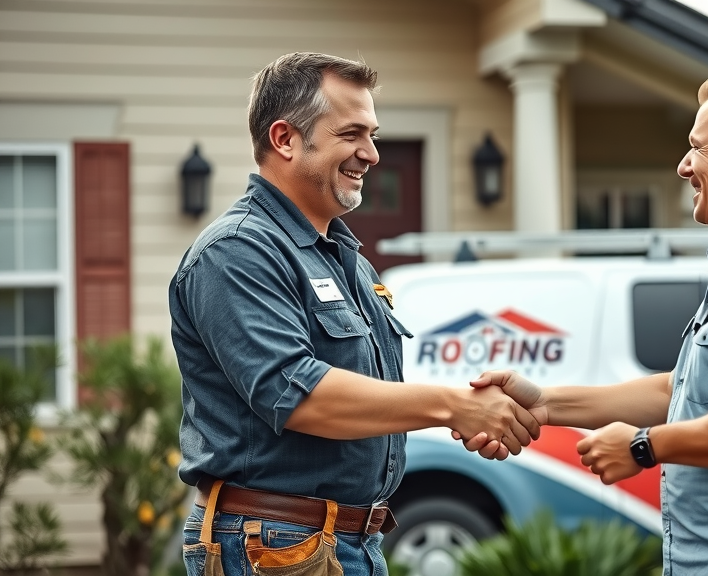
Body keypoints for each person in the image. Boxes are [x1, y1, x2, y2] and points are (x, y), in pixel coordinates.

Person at [464, 73, 708, 576]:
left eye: (697, 148)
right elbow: (680, 392)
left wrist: (643, 445)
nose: (683, 166)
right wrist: (544, 404)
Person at [169, 52, 539, 576]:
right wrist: (453, 407)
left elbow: (368, 397)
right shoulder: (236, 252)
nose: (371, 153)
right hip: (273, 546)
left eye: (373, 135)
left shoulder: (349, 261)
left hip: (344, 542)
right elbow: (298, 396)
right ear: (285, 139)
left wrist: (469, 409)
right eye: (351, 134)